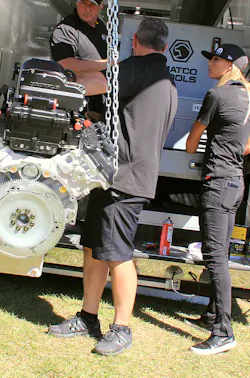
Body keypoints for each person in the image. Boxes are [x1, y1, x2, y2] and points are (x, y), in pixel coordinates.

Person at [48, 18, 178, 355]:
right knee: (94, 249)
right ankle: (88, 317)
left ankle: (122, 329)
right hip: (114, 177)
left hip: (125, 179)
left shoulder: (140, 67)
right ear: (164, 46)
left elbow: (94, 84)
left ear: (134, 41)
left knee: (119, 257)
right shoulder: (165, 80)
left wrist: (59, 80)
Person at [185, 43, 250, 355]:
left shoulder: (216, 95)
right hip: (235, 182)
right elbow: (249, 147)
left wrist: (203, 144)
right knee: (221, 253)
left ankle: (224, 332)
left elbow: (191, 143)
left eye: (215, 59)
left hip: (217, 182)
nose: (210, 63)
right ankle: (213, 314)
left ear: (231, 66)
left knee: (214, 256)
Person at [50, 0, 109, 121]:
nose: (87, 9)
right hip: (76, 109)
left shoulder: (101, 27)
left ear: (101, 5)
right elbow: (65, 65)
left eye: (92, 4)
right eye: (83, 3)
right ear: (77, 2)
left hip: (101, 110)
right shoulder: (66, 28)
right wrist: (106, 64)